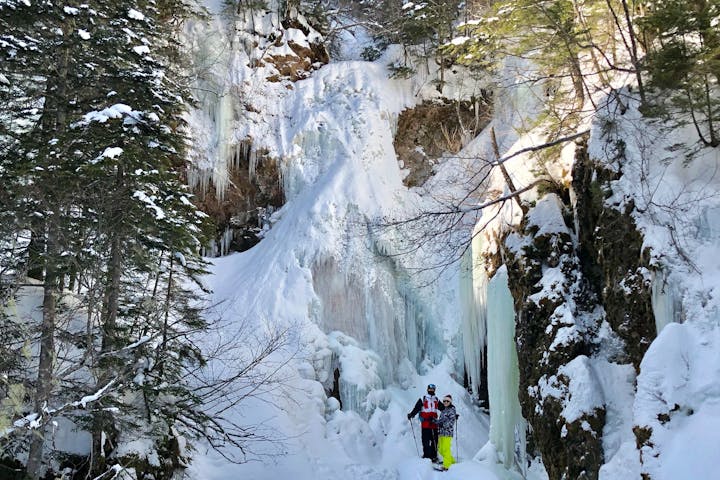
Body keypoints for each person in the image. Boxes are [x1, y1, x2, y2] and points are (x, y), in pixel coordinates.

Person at [407, 383, 445, 462]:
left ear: (434, 390)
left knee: (435, 440)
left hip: (434, 423)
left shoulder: (436, 399)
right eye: (430, 389)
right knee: (426, 440)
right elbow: (417, 408)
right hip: (425, 424)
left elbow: (443, 408)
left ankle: (433, 456)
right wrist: (411, 414)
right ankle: (426, 457)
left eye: (433, 389)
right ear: (427, 389)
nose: (431, 390)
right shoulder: (423, 398)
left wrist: (452, 413)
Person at [436, 394, 459, 471]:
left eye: (447, 401)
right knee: (440, 449)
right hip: (441, 433)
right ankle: (451, 460)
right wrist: (435, 421)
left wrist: (443, 424)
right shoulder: (444, 410)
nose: (445, 402)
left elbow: (451, 422)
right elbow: (441, 421)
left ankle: (446, 465)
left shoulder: (452, 410)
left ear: (450, 402)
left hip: (447, 433)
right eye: (444, 401)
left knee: (446, 449)